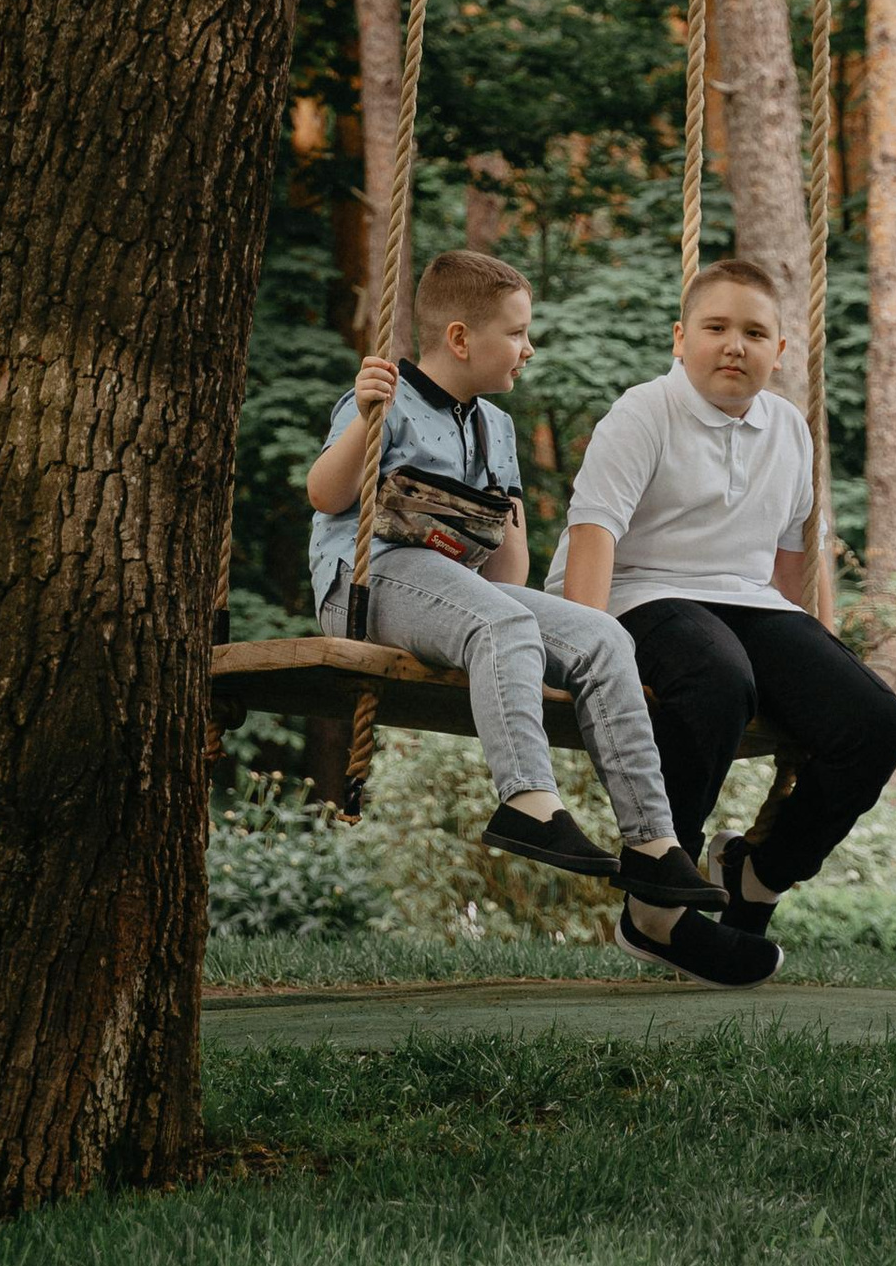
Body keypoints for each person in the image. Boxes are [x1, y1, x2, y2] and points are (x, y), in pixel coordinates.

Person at [306, 245, 726, 938]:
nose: (529, 349)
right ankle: (527, 801)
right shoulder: (387, 398)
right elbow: (325, 494)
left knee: (602, 638)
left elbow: (507, 581)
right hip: (370, 585)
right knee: (504, 626)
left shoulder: (495, 428)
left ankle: (653, 843)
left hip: (456, 593)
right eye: (518, 332)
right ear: (461, 338)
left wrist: (504, 516)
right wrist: (363, 416)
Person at [551, 253, 896, 986]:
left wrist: (813, 668)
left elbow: (786, 568)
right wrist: (585, 648)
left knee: (874, 721)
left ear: (779, 351)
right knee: (717, 676)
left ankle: (758, 875)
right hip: (634, 592)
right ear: (680, 338)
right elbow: (594, 536)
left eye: (754, 332)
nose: (733, 345)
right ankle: (655, 907)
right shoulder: (643, 411)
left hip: (744, 600)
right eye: (715, 327)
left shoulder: (790, 431)